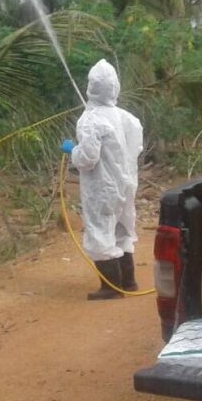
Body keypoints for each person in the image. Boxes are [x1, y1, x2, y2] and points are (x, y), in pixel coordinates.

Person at [60, 59, 144, 300]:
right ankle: (128, 282)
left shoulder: (90, 120)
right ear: (114, 87)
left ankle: (110, 288)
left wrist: (71, 150)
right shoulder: (128, 118)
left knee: (100, 233)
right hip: (126, 185)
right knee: (122, 229)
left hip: (102, 188)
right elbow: (135, 147)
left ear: (91, 87)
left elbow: (87, 158)